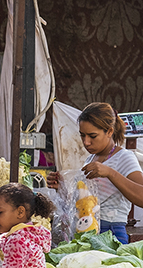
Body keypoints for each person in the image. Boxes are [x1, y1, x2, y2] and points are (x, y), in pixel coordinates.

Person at [47, 102, 143, 244]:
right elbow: (86, 202)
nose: (86, 142)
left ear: (109, 131)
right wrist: (61, 187)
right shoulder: (90, 159)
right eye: (82, 135)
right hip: (87, 229)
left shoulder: (124, 157)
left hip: (110, 233)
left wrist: (110, 173)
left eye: (92, 136)